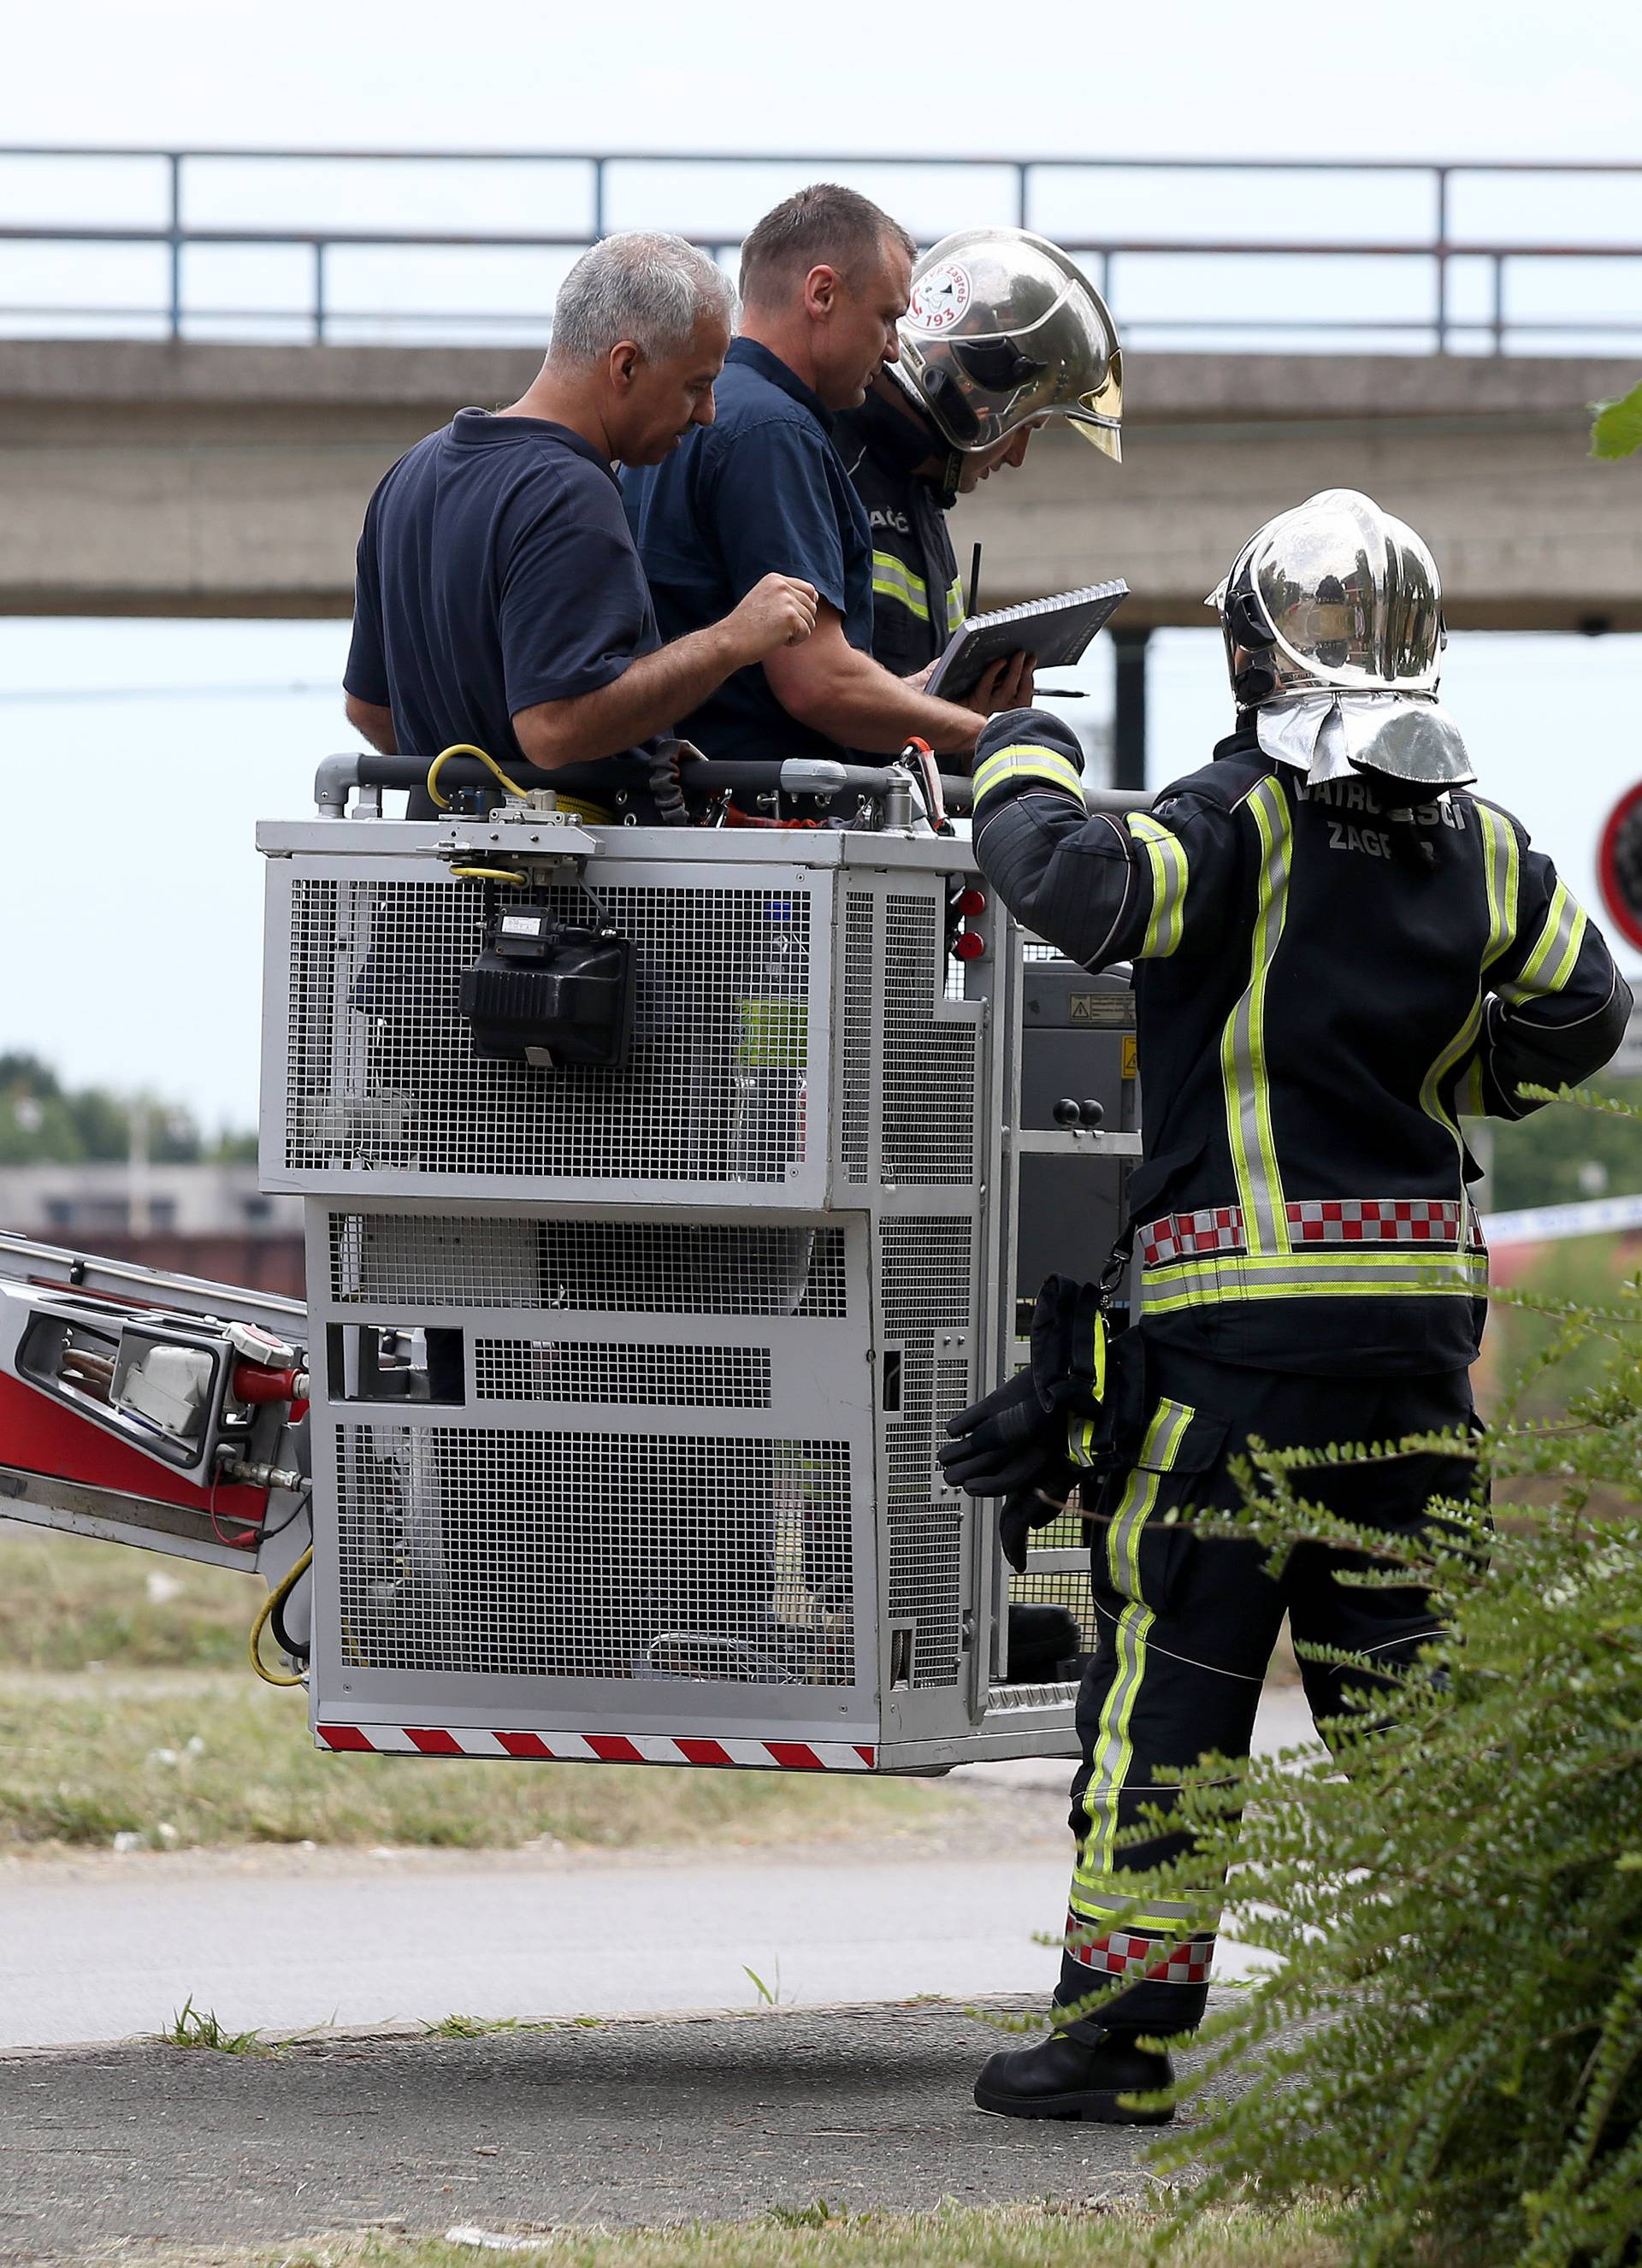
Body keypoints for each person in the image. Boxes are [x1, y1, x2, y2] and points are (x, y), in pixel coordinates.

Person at [942, 487, 1633, 2124]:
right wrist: (1466, 1069)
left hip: (1230, 1364)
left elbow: (1091, 892)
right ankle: (1481, 2028)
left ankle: (1116, 2039)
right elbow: (1588, 1010)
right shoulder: (1485, 842)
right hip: (1412, 1361)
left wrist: (1017, 745)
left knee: (1175, 1689)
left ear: (1251, 652)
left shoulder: (1240, 813)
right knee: (1419, 1708)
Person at [343, 231, 817, 819]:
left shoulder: (409, 475)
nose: (707, 414)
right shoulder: (569, 491)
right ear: (626, 364)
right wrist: (731, 640)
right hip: (566, 894)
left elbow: (369, 709)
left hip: (434, 894)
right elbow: (554, 728)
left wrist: (469, 793)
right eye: (696, 385)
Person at [620, 185, 1029, 777]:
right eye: (888, 317)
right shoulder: (773, 430)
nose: (893, 350)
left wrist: (923, 696)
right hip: (760, 842)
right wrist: (994, 735)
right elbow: (816, 685)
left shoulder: (715, 414)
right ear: (822, 294)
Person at [835, 227, 1123, 679]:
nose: (1017, 458)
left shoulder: (923, 496)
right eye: (1024, 426)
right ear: (969, 397)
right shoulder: (828, 458)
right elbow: (818, 691)